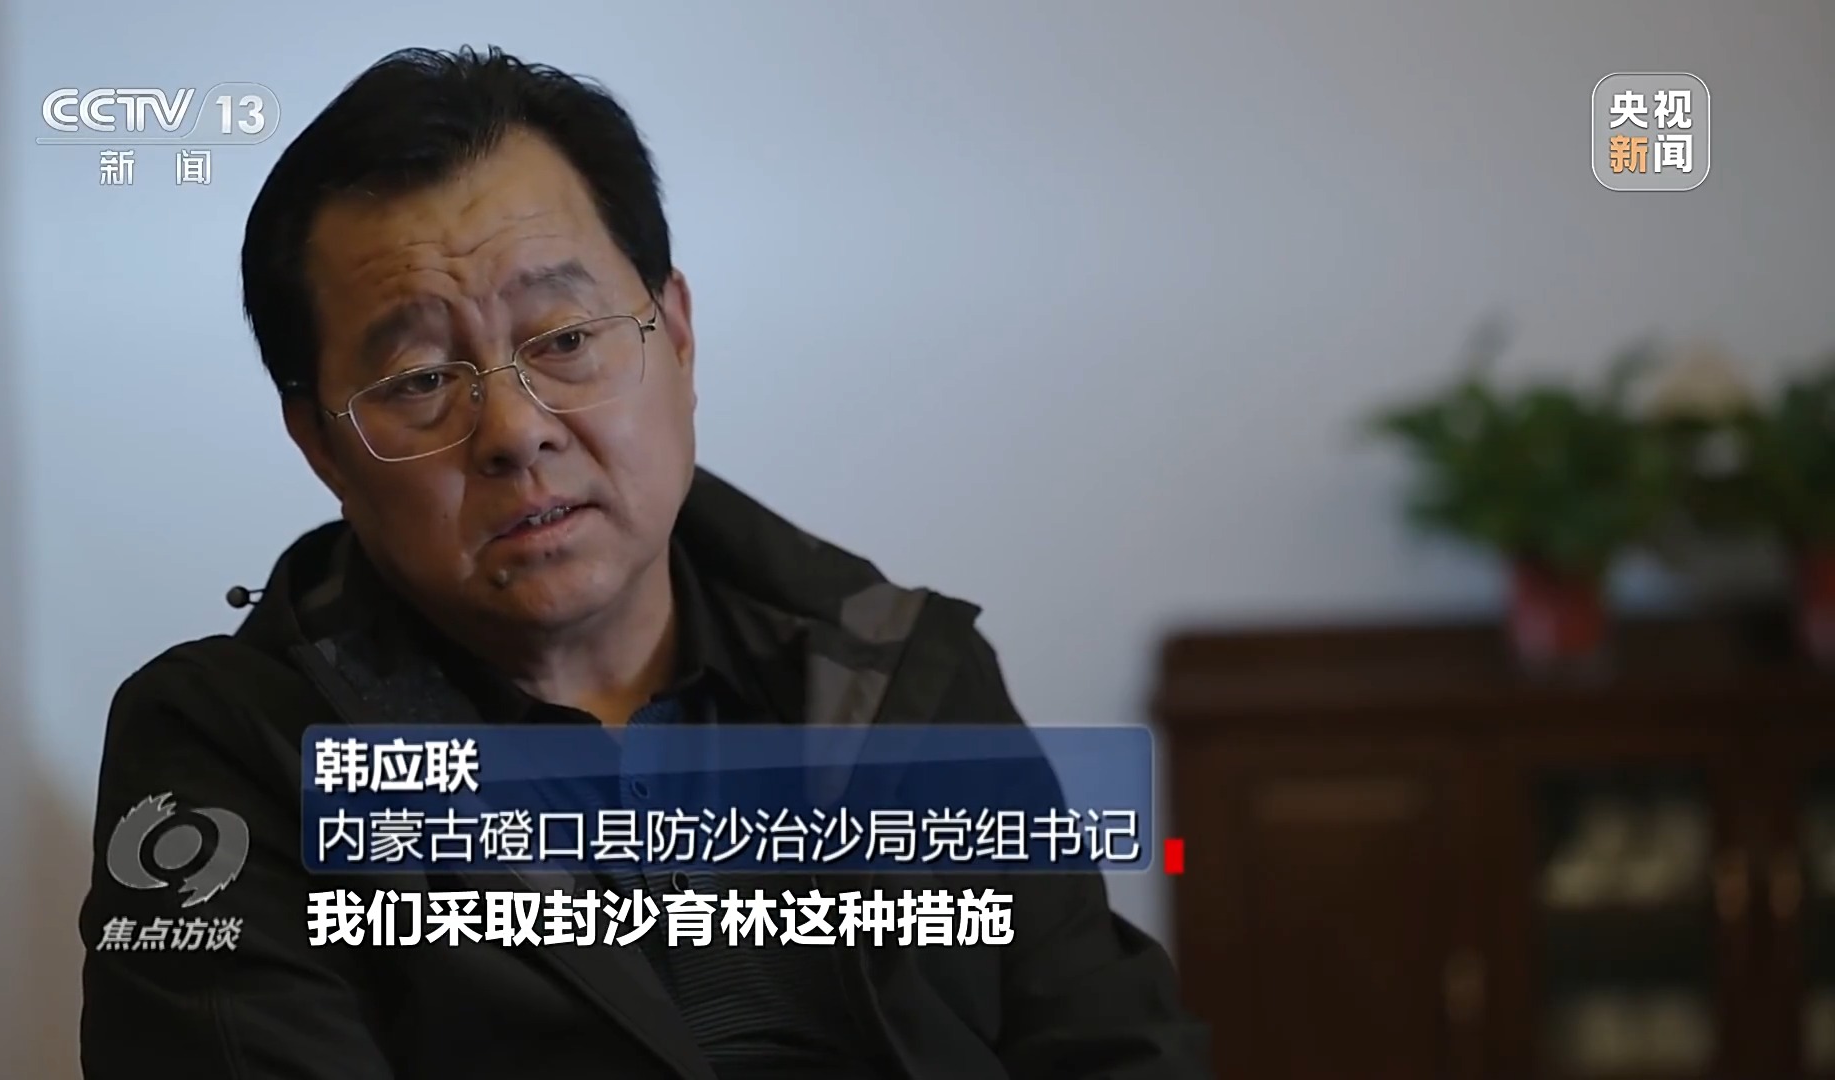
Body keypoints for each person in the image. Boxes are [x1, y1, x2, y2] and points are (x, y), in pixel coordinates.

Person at [78, 45, 1211, 1080]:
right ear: (320, 444)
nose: (515, 431)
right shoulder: (232, 750)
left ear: (676, 333)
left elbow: (1116, 1051)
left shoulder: (902, 675)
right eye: (420, 380)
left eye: (566, 339)